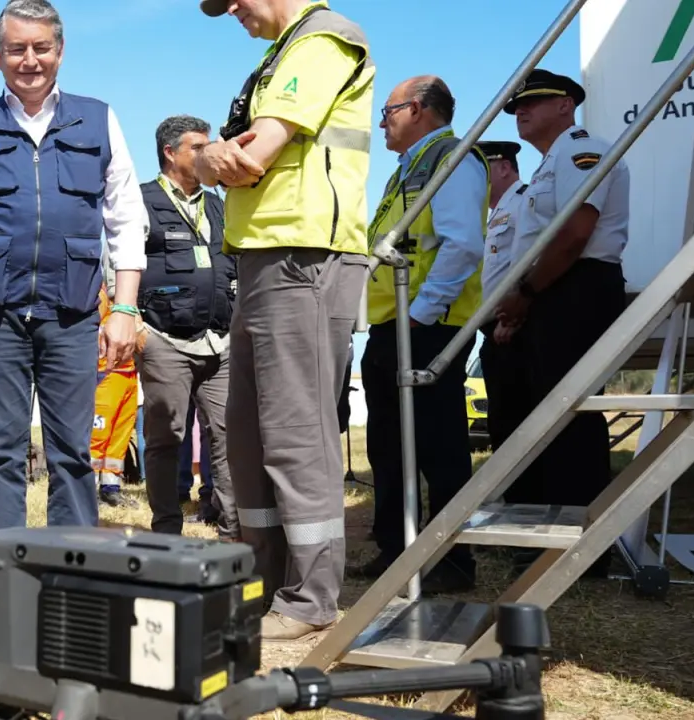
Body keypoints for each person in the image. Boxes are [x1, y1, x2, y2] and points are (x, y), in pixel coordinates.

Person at [0, 0, 147, 533]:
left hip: (72, 313)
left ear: (60, 51)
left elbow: (125, 219)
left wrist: (124, 309)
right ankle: (6, 568)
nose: (30, 60)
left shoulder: (97, 119)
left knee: (72, 449)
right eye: (17, 48)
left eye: (41, 47)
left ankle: (69, 564)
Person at [195, 0, 374, 641]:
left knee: (296, 431)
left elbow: (254, 155)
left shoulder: (323, 38)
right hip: (265, 256)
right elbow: (219, 161)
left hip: (305, 256)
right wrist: (210, 157)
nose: (231, 9)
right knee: (248, 432)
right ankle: (267, 581)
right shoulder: (284, 52)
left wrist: (212, 159)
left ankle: (311, 597)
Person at [493, 69, 630, 576]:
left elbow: (575, 235)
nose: (521, 112)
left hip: (576, 287)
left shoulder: (581, 150)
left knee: (570, 415)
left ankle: (581, 550)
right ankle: (551, 537)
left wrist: (527, 293)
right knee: (546, 415)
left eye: (533, 102)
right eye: (516, 107)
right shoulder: (548, 165)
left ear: (566, 105)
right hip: (551, 291)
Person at [354, 76, 487, 594]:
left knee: (438, 445)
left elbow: (462, 245)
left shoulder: (451, 160)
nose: (381, 123)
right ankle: (396, 550)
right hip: (392, 325)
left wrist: (421, 313)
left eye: (387, 111)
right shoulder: (409, 168)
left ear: (418, 109)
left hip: (428, 327)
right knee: (388, 445)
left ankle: (452, 562)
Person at [135, 114, 237, 539]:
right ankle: (166, 532)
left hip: (220, 340)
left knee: (229, 437)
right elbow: (117, 261)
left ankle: (233, 530)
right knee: (165, 436)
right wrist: (135, 325)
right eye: (198, 147)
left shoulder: (219, 204)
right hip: (164, 338)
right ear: (169, 152)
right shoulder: (139, 200)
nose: (207, 153)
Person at [474, 140, 529, 455]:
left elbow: (532, 261)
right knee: (501, 424)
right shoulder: (497, 213)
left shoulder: (524, 203)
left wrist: (513, 318)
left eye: (482, 170)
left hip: (515, 329)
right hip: (495, 332)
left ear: (505, 167)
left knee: (516, 421)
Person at [92, 282, 140, 508]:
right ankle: (87, 490)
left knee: (120, 436)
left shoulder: (130, 294)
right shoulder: (97, 291)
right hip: (105, 374)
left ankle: (111, 488)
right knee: (97, 436)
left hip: (128, 373)